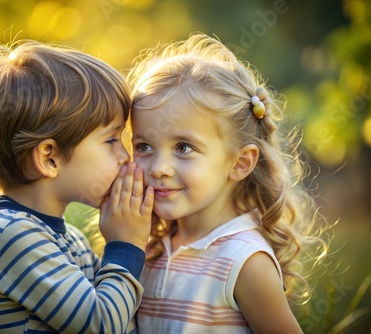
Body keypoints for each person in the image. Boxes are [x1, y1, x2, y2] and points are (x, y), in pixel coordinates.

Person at [127, 33, 329, 333]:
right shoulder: (149, 245)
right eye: (144, 146)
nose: (158, 168)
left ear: (240, 163)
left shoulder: (244, 261)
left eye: (183, 147)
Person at [0, 40, 154, 333]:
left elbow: (125, 313)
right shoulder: (10, 236)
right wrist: (127, 245)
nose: (125, 156)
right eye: (111, 140)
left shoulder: (69, 239)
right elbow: (104, 325)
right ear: (50, 158)